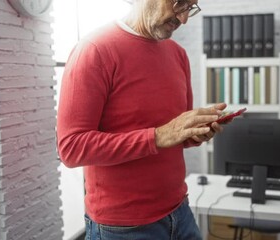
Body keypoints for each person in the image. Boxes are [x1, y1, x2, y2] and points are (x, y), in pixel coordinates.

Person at [56, 0, 227, 239]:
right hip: (123, 228)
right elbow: (71, 148)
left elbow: (173, 136)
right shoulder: (94, 49)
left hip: (180, 211)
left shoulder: (178, 54)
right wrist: (158, 136)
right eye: (180, 3)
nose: (184, 18)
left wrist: (194, 132)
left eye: (191, 8)